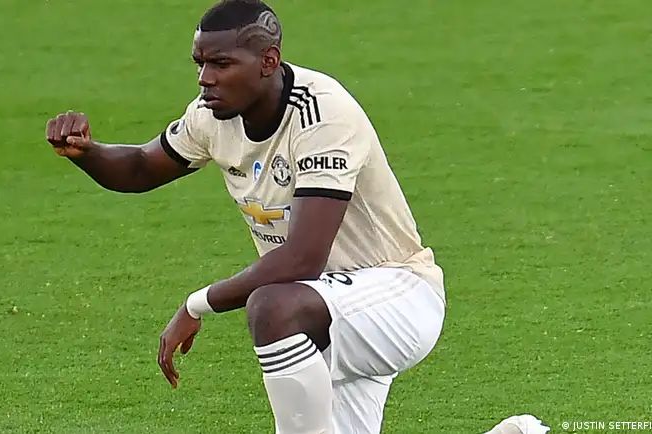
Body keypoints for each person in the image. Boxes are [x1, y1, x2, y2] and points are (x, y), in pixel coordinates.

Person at [44, 1, 446, 432]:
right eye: (200, 63)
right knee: (281, 307)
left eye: (221, 64)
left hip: (397, 296)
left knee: (273, 307)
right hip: (323, 311)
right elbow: (142, 167)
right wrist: (87, 153)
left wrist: (198, 303)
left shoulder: (322, 116)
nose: (205, 78)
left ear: (268, 62)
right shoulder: (211, 115)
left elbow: (301, 259)